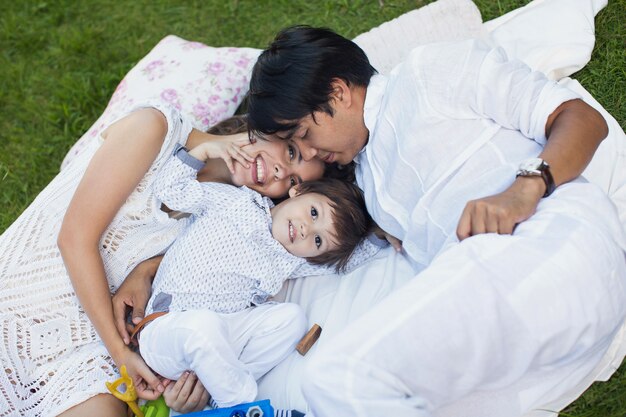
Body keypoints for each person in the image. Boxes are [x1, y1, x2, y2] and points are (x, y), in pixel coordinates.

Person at [246, 26, 626, 417]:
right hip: (527, 343)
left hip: (548, 243)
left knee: (337, 379)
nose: (308, 152)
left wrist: (526, 187)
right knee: (332, 401)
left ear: (338, 93)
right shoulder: (365, 183)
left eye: (304, 135)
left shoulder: (428, 72)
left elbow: (580, 118)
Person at [0, 102, 329, 417]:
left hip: (93, 348)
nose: (281, 171)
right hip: (28, 297)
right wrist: (120, 353)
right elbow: (73, 239)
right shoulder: (155, 129)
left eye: (293, 181)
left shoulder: (239, 217)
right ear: (270, 125)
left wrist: (193, 378)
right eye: (291, 152)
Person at [135, 140, 371, 409]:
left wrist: (380, 233)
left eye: (318, 241)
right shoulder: (235, 201)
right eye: (313, 213)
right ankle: (239, 405)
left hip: (221, 336)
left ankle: (217, 393)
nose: (307, 230)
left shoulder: (291, 258)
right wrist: (202, 151)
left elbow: (347, 261)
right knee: (202, 327)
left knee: (291, 319)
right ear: (299, 190)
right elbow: (172, 191)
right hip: (168, 327)